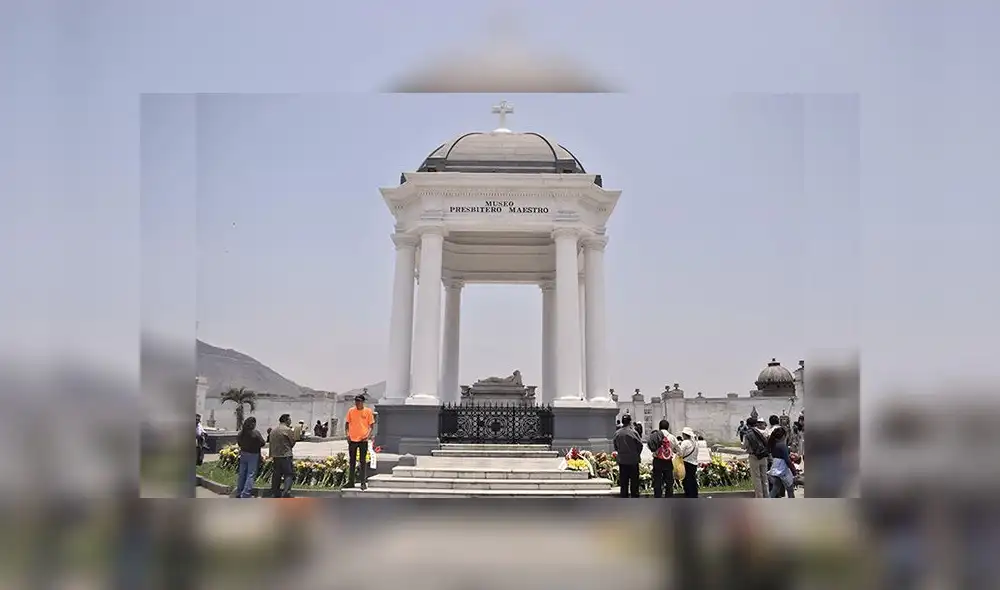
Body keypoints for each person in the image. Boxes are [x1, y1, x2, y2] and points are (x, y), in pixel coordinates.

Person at [344, 394, 375, 490]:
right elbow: (347, 424)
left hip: (363, 440)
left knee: (362, 461)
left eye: (359, 401)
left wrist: (367, 436)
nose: (357, 403)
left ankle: (363, 482)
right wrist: (347, 435)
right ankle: (351, 482)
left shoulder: (368, 411)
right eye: (356, 401)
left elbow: (371, 426)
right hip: (352, 440)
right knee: (352, 461)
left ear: (363, 402)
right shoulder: (351, 411)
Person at [235, 416, 266, 498]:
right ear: (253, 424)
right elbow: (263, 443)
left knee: (242, 474)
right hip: (253, 454)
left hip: (243, 453)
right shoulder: (255, 433)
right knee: (251, 474)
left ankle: (239, 491)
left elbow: (239, 443)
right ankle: (246, 493)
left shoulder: (241, 433)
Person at [613, 414, 643, 498]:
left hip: (622, 461)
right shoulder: (633, 432)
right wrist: (636, 454)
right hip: (633, 460)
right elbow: (640, 445)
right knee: (634, 484)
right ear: (630, 422)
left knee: (624, 484)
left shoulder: (617, 433)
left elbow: (615, 446)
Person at [268, 414, 298, 498]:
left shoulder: (273, 430)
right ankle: (286, 492)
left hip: (276, 455)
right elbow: (292, 442)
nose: (290, 421)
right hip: (286, 455)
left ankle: (275, 492)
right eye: (289, 420)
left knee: (276, 474)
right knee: (288, 474)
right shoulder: (288, 430)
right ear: (286, 420)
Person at [648, 419, 679, 498]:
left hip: (657, 461)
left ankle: (658, 497)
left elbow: (649, 446)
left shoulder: (654, 436)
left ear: (659, 427)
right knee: (669, 482)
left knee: (657, 481)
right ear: (668, 427)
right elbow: (679, 450)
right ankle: (668, 498)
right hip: (668, 462)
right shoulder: (672, 437)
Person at [741, 415, 770, 498]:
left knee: (757, 478)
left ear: (748, 425)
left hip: (754, 457)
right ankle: (766, 496)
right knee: (764, 478)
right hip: (764, 456)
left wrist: (742, 444)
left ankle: (759, 497)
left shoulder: (748, 434)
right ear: (756, 424)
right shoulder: (764, 432)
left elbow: (744, 446)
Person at [767, 426, 797, 498]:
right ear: (783, 436)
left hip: (775, 468)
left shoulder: (773, 444)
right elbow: (787, 460)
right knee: (790, 489)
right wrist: (794, 471)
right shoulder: (782, 445)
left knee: (776, 488)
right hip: (782, 469)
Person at [678, 427, 699, 498]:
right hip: (694, 463)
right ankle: (694, 494)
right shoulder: (695, 443)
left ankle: (689, 495)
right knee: (692, 479)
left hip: (686, 463)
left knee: (687, 480)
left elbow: (681, 453)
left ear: (684, 434)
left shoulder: (685, 442)